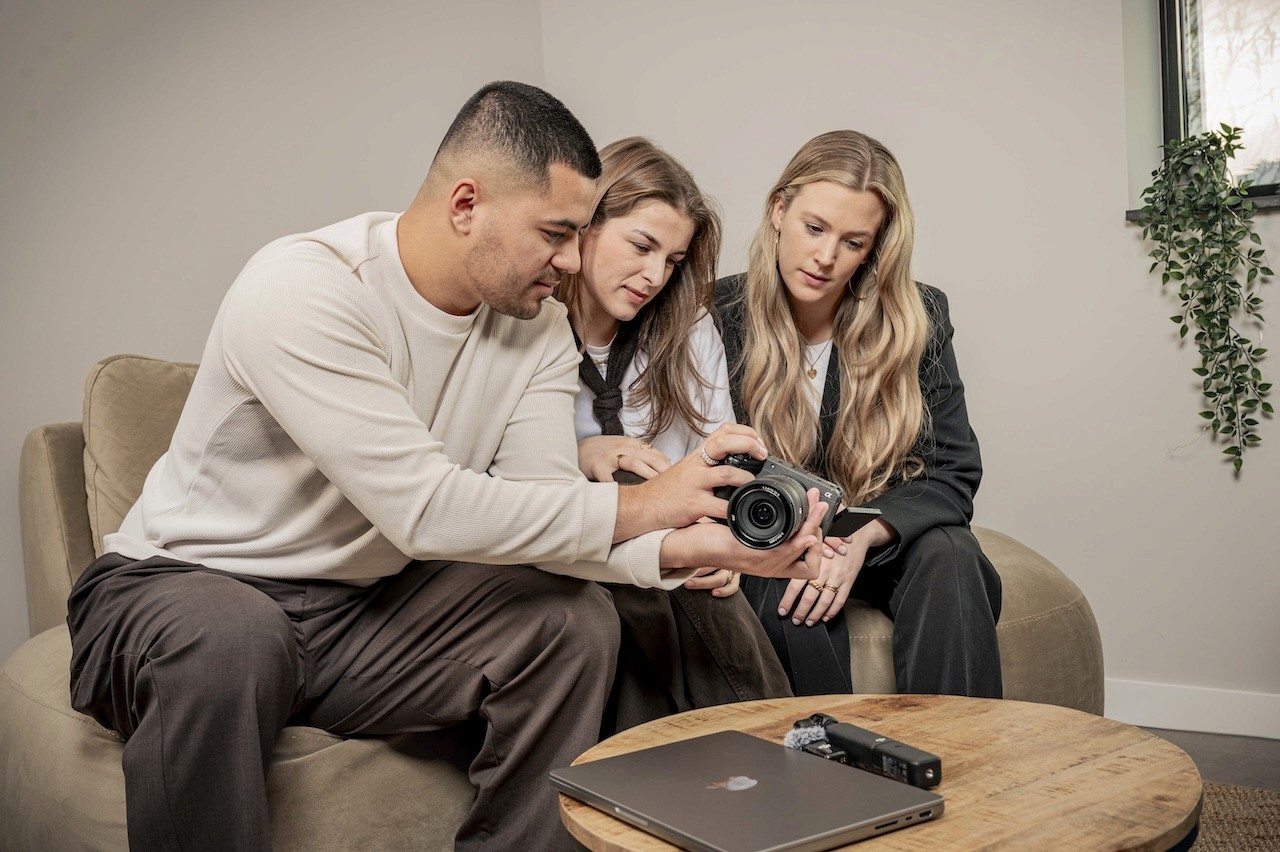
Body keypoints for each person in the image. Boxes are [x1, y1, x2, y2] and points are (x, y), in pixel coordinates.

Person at [64, 81, 828, 852]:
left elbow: (543, 514)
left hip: (355, 612)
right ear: (467, 205)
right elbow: (423, 510)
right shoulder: (305, 288)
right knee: (235, 636)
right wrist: (654, 504)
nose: (570, 260)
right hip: (179, 587)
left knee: (570, 623)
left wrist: (691, 548)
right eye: (557, 233)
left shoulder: (537, 331)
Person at [715, 130, 1003, 699]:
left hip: (879, 531)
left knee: (952, 553)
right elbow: (703, 458)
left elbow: (953, 470)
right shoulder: (715, 313)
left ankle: (960, 768)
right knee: (780, 587)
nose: (825, 257)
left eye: (853, 241)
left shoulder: (920, 317)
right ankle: (826, 773)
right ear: (779, 210)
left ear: (875, 248)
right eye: (814, 228)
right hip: (771, 536)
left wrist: (862, 536)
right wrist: (802, 545)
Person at [557, 137, 792, 732]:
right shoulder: (527, 332)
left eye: (674, 260)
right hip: (573, 548)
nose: (654, 276)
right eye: (641, 246)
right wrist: (582, 453)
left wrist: (719, 542)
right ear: (586, 224)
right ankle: (780, 739)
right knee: (633, 491)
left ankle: (750, 746)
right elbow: (500, 477)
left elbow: (717, 455)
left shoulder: (687, 329)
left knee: (689, 572)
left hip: (676, 549)